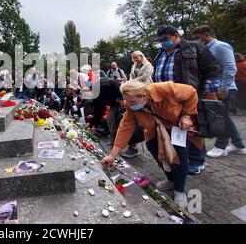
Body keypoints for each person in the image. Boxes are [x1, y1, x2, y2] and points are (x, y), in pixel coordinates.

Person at [101, 81, 200, 210]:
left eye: (132, 102)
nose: (129, 105)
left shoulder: (165, 89)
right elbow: (125, 127)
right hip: (153, 131)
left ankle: (179, 189)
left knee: (178, 158)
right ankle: (171, 179)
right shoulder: (131, 106)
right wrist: (112, 155)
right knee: (156, 152)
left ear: (144, 96)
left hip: (176, 127)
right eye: (127, 101)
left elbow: (191, 92)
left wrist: (187, 115)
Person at [153, 25, 222, 175]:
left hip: (190, 96)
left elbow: (212, 69)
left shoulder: (194, 48)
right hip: (167, 100)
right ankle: (181, 158)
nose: (163, 42)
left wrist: (211, 93)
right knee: (178, 129)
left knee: (194, 131)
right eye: (161, 40)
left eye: (166, 39)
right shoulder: (160, 54)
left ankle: (196, 161)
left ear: (176, 35)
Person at [191, 26, 246, 157]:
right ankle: (238, 145)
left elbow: (230, 67)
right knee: (224, 116)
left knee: (221, 117)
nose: (196, 40)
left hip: (223, 88)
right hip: (215, 88)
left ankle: (221, 146)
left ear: (206, 34)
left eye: (197, 37)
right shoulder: (206, 49)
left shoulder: (221, 46)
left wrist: (224, 87)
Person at [122, 51, 154, 158]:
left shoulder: (148, 66)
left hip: (145, 91)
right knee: (134, 118)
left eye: (137, 57)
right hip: (134, 92)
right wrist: (129, 84)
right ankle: (133, 145)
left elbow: (145, 77)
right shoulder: (133, 66)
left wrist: (131, 83)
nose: (135, 59)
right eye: (133, 58)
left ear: (142, 56)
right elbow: (131, 76)